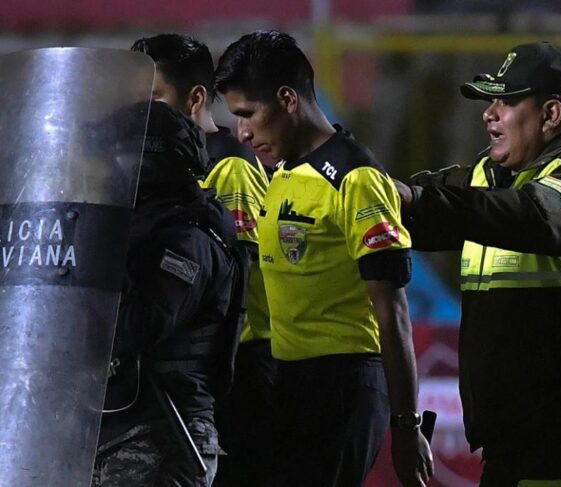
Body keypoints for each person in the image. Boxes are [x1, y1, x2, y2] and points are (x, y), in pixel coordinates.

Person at [215, 30, 433, 487]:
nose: (242, 132)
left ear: (287, 99)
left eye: (248, 114)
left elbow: (393, 312)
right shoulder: (282, 173)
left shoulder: (357, 179)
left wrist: (406, 426)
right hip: (288, 381)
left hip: (343, 383)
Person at [394, 41, 561, 486]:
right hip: (506, 451)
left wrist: (417, 199)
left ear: (550, 115)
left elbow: (533, 216)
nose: (489, 114)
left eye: (505, 102)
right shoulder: (493, 178)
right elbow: (424, 216)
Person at [130, 34, 275, 487]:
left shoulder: (226, 169)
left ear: (194, 99)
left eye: (154, 98)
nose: (142, 112)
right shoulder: (153, 170)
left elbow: (239, 286)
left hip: (227, 370)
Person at [93, 100, 242, 487]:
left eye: (119, 156)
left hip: (165, 432)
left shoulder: (189, 239)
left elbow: (140, 323)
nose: (109, 171)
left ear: (150, 162)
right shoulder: (138, 230)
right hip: (115, 426)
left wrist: (83, 292)